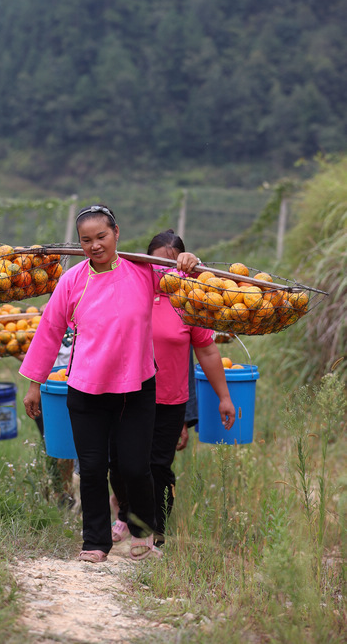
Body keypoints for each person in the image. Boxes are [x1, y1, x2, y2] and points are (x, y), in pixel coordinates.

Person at [20, 205, 225, 563]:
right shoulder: (73, 280)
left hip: (136, 388)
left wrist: (190, 260)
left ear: (117, 233)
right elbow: (49, 331)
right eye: (87, 240)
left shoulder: (142, 272)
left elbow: (182, 278)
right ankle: (95, 542)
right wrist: (34, 384)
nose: (95, 245)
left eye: (102, 236)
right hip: (86, 389)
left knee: (134, 466)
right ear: (80, 243)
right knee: (94, 468)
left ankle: (144, 532)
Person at [109, 230, 236, 547]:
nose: (164, 271)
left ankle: (157, 532)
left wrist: (224, 397)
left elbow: (207, 351)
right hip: (126, 394)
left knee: (157, 467)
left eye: (172, 265)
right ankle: (126, 514)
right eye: (156, 264)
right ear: (145, 263)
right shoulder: (131, 292)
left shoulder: (189, 302)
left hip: (169, 400)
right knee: (121, 463)